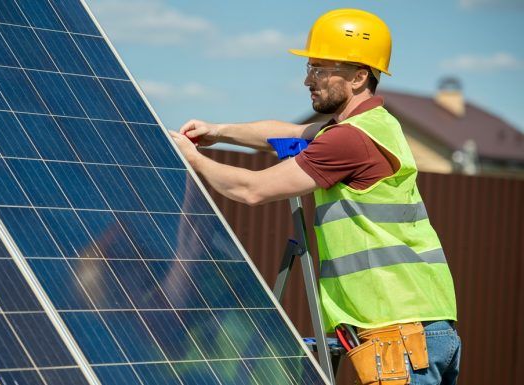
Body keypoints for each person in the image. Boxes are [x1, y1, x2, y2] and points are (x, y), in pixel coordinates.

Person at [169, 8, 460, 385]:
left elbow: (252, 189)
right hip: (421, 324)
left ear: (358, 77)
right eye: (309, 68)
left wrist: (192, 158)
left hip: (399, 330)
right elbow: (285, 132)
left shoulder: (350, 139)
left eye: (322, 69)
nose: (309, 79)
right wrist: (219, 131)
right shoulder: (372, 125)